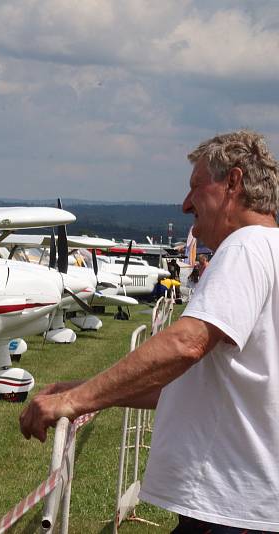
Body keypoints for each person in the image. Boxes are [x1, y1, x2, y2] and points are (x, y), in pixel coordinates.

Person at [19, 130, 279, 533]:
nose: (185, 204)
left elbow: (185, 345)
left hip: (230, 511)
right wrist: (87, 392)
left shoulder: (244, 247)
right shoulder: (271, 250)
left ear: (233, 183)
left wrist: (74, 401)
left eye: (196, 187)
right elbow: (187, 383)